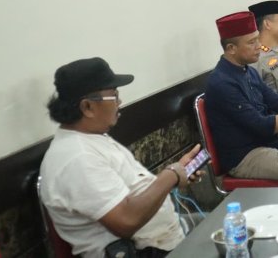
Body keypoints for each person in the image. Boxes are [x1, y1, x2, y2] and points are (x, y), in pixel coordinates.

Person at [39, 58, 200, 258]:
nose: (119, 102)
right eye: (114, 95)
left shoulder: (92, 138)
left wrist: (179, 171)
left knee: (228, 221)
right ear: (87, 107)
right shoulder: (77, 158)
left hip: (166, 237)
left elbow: (131, 189)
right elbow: (126, 221)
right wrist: (171, 175)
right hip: (145, 253)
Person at [205, 11, 278, 185]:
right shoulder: (222, 83)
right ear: (231, 48)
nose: (259, 45)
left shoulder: (248, 71)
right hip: (246, 155)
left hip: (268, 142)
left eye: (257, 39)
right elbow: (261, 126)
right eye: (252, 42)